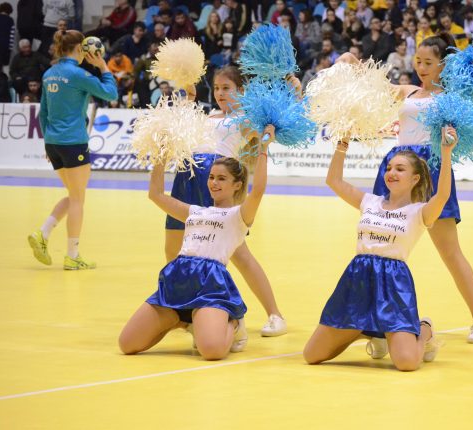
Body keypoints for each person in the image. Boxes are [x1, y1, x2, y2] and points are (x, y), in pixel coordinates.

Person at [338, 33, 473, 346]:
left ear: (444, 65)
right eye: (418, 61)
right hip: (398, 167)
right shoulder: (408, 91)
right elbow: (374, 86)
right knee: (381, 248)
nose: (421, 67)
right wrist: (352, 62)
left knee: (450, 252)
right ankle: (377, 325)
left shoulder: (455, 93)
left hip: (431, 169)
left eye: (429, 62)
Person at [303, 131, 458, 371]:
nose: (391, 173)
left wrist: (446, 154)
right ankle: (368, 330)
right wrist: (342, 145)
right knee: (311, 355)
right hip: (357, 282)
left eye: (400, 169)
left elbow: (443, 195)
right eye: (389, 168)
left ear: (415, 179)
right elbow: (334, 181)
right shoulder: (369, 201)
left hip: (393, 284)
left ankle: (424, 329)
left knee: (406, 363)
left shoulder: (420, 212)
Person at [118, 134, 273, 360]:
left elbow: (258, 189)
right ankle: (179, 319)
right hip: (177, 282)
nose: (213, 183)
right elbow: (156, 195)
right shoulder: (194, 211)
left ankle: (234, 321)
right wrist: (161, 154)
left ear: (237, 184)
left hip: (210, 285)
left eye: (221, 178)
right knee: (127, 344)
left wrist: (263, 149)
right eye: (211, 177)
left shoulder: (238, 216)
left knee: (212, 351)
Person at [163, 66, 288, 337]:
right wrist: (189, 99)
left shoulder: (244, 118)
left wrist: (290, 93)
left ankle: (275, 314)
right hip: (186, 177)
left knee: (241, 255)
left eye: (226, 88)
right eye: (217, 88)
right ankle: (186, 311)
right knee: (174, 249)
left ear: (241, 91)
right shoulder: (209, 114)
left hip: (214, 182)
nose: (220, 93)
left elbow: (268, 129)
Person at [28, 30, 118, 270]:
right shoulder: (78, 74)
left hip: (54, 142)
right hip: (73, 141)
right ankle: (72, 255)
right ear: (81, 49)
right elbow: (111, 93)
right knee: (78, 198)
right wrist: (102, 66)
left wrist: (48, 141)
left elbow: (43, 112)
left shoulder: (49, 74)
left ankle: (43, 233)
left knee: (72, 194)